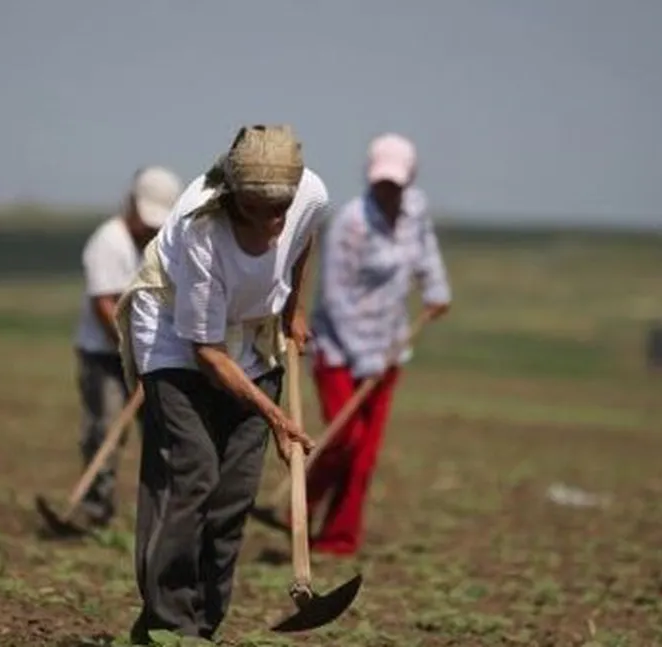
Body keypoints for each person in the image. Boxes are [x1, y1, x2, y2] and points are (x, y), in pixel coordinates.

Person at [113, 124, 325, 643]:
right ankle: (168, 624)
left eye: (284, 206)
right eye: (263, 208)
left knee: (233, 494)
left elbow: (304, 236)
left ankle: (203, 626)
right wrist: (276, 417)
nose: (277, 219)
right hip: (175, 332)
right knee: (192, 476)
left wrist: (295, 304)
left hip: (251, 337)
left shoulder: (310, 195)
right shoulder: (200, 227)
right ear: (235, 199)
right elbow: (205, 352)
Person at [303, 132, 451, 556]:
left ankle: (338, 539)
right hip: (339, 349)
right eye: (381, 181)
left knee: (365, 455)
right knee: (343, 437)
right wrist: (361, 357)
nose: (388, 191)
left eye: (396, 184)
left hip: (389, 346)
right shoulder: (350, 222)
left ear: (410, 180)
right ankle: (302, 505)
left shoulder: (416, 212)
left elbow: (426, 254)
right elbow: (333, 296)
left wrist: (436, 290)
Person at [70, 165, 182, 527]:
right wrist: (133, 351)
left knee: (160, 432)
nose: (149, 227)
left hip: (151, 357)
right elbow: (104, 305)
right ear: (132, 203)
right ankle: (95, 507)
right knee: (103, 429)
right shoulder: (109, 241)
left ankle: (163, 511)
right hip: (105, 355)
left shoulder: (165, 246)